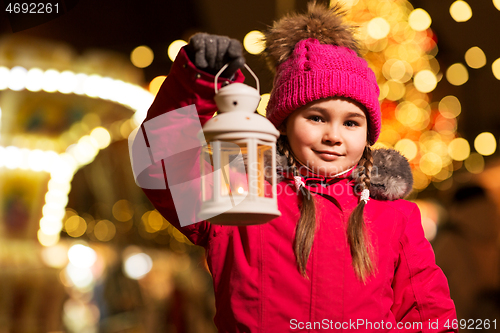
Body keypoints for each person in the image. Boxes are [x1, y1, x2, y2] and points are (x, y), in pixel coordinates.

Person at [131, 2, 457, 332]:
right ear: (284, 123)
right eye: (316, 118)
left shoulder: (394, 215)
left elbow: (427, 313)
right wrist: (196, 82)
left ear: (368, 132)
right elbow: (162, 167)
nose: (333, 136)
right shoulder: (241, 196)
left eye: (351, 123)